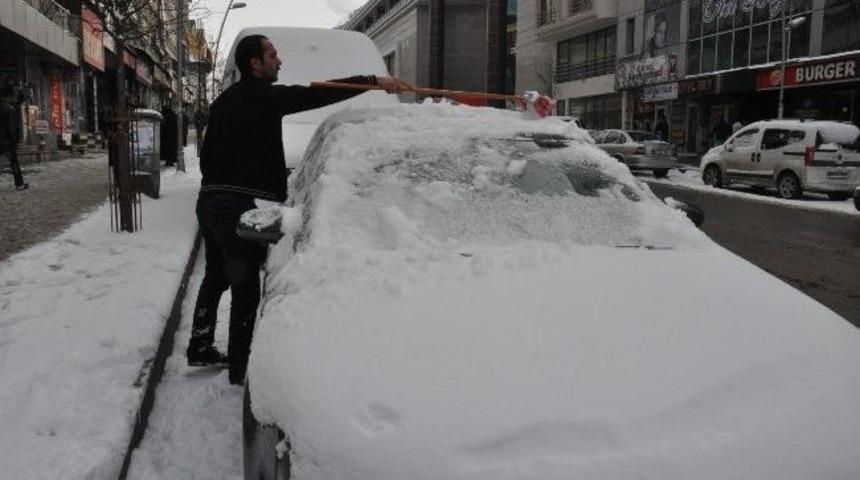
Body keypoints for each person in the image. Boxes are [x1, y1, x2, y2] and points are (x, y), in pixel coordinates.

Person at [188, 34, 410, 385]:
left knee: (217, 275)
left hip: (210, 201)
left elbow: (205, 157)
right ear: (255, 64)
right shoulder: (265, 97)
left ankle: (200, 344)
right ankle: (240, 370)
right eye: (273, 55)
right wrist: (372, 82)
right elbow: (317, 93)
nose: (280, 61)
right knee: (246, 286)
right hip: (239, 206)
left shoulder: (222, 102)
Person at [0, 78, 27, 191]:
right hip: (6, 141)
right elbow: (11, 129)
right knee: (14, 162)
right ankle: (19, 184)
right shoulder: (10, 109)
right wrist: (14, 142)